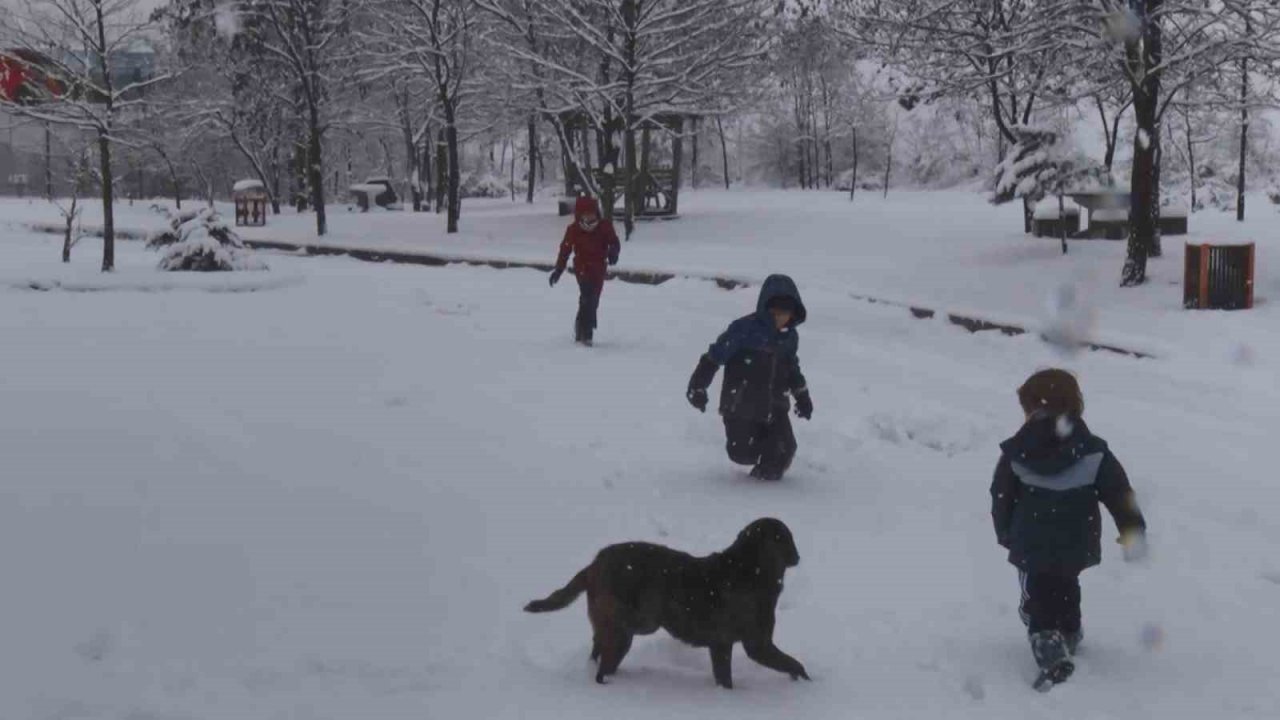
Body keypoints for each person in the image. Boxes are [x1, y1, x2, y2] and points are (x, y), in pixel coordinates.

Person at [990, 368, 1148, 689]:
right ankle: (1070, 631)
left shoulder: (1017, 452)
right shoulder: (1093, 451)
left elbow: (1001, 494)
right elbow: (1120, 493)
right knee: (1066, 584)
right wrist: (1133, 530)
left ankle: (1049, 644)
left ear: (1031, 407)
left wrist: (1005, 532)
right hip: (1076, 540)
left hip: (1031, 540)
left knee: (1036, 595)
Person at [685, 274, 812, 481]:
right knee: (742, 453)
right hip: (742, 404)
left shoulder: (789, 337)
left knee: (784, 448)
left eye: (785, 313)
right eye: (776, 312)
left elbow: (792, 368)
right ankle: (753, 473)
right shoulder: (744, 329)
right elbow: (715, 356)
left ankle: (764, 486)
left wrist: (802, 396)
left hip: (775, 403)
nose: (781, 318)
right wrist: (698, 386)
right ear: (766, 309)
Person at [549, 196, 620, 346]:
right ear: (579, 214)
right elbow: (565, 250)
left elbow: (614, 241)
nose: (589, 217)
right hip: (582, 267)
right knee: (588, 296)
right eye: (585, 214)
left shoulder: (604, 226)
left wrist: (614, 252)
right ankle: (587, 334)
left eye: (592, 213)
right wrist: (558, 270)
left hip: (599, 268)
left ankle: (580, 325)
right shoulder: (573, 230)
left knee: (592, 300)